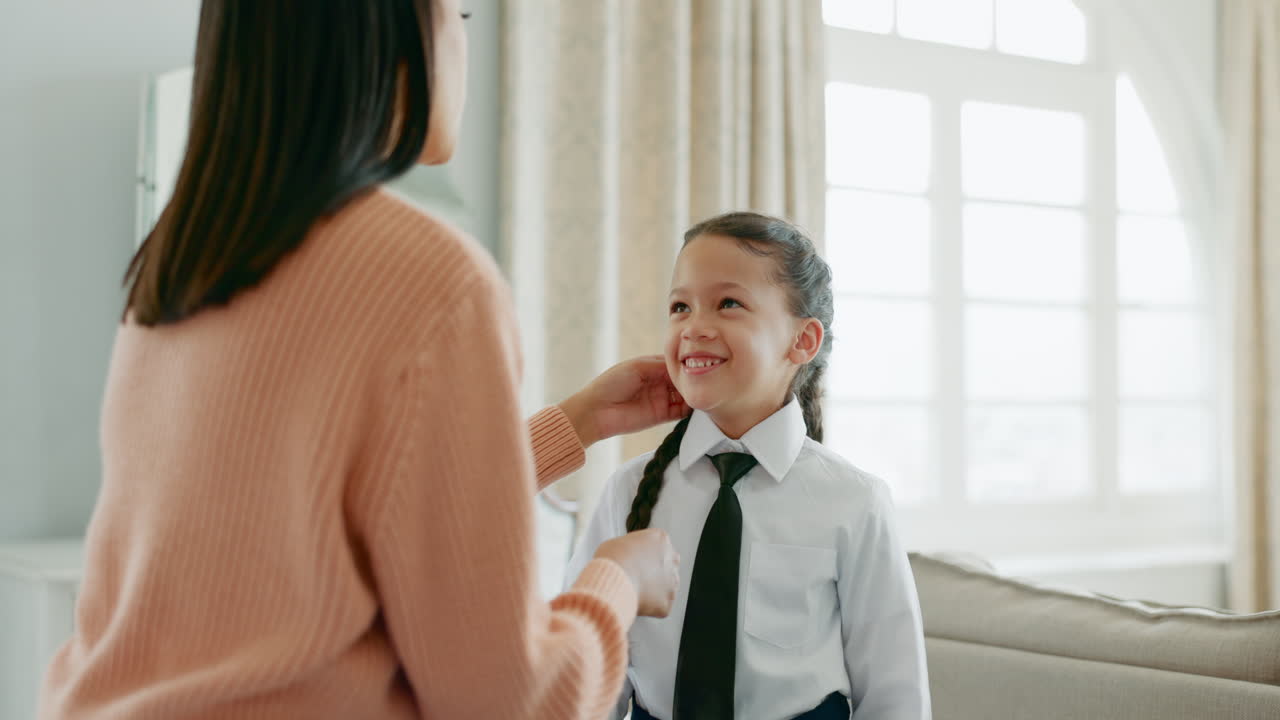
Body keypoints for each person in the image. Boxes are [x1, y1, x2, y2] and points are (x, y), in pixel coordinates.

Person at [38, 1, 681, 717]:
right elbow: (509, 701)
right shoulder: (434, 282)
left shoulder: (183, 264)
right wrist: (616, 580)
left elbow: (313, 516)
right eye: (459, 14)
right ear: (396, 29)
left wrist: (573, 423)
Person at [567, 212, 931, 720]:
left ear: (801, 341)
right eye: (679, 306)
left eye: (728, 303)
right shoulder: (627, 492)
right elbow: (583, 684)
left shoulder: (855, 502)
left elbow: (895, 696)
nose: (694, 327)